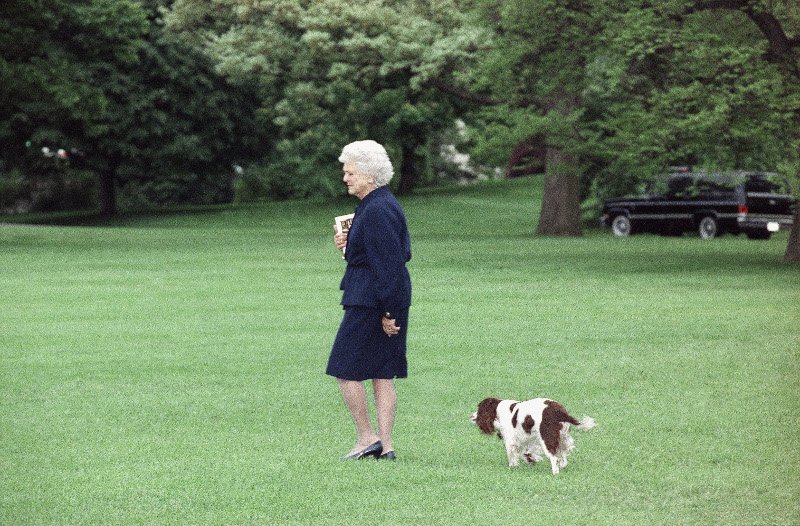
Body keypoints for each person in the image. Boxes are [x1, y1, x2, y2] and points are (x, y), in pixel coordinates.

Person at [326, 140, 412, 461]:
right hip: (382, 296)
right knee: (381, 370)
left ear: (368, 174)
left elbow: (387, 265)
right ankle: (386, 447)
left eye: (349, 172)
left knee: (344, 367)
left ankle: (367, 437)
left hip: (372, 301)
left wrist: (389, 312)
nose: (345, 178)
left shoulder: (376, 210)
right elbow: (374, 256)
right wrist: (347, 247)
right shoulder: (380, 204)